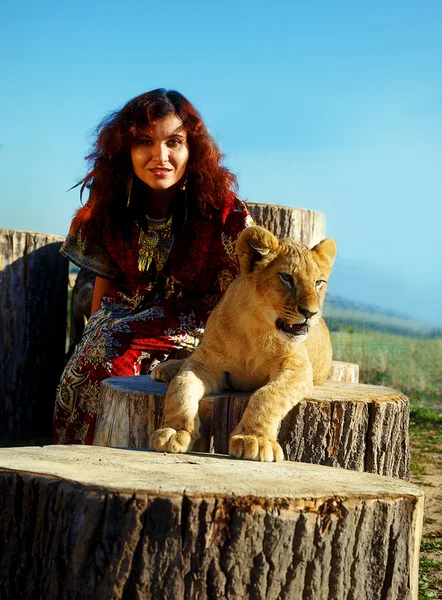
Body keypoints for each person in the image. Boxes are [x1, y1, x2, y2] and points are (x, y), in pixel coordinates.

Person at [54, 88, 253, 444]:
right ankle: (76, 467)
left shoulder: (221, 210)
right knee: (86, 362)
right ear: (126, 148)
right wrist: (93, 335)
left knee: (117, 362)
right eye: (145, 141)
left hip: (197, 328)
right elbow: (106, 277)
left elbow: (250, 283)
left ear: (192, 148)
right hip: (120, 318)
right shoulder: (113, 200)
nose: (160, 156)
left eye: (174, 142)